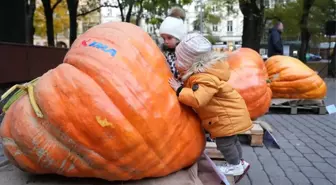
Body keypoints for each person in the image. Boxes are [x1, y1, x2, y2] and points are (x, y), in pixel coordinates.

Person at [168, 32, 253, 176]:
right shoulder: (205, 74)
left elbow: (197, 99)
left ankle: (235, 165)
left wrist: (179, 90)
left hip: (226, 117)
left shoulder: (204, 78)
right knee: (232, 141)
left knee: (225, 143)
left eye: (178, 59)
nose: (176, 61)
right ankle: (239, 162)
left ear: (188, 62)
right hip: (230, 115)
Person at [159, 6, 187, 79]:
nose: (166, 41)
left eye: (169, 38)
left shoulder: (186, 54)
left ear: (179, 38)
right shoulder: (162, 53)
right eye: (163, 38)